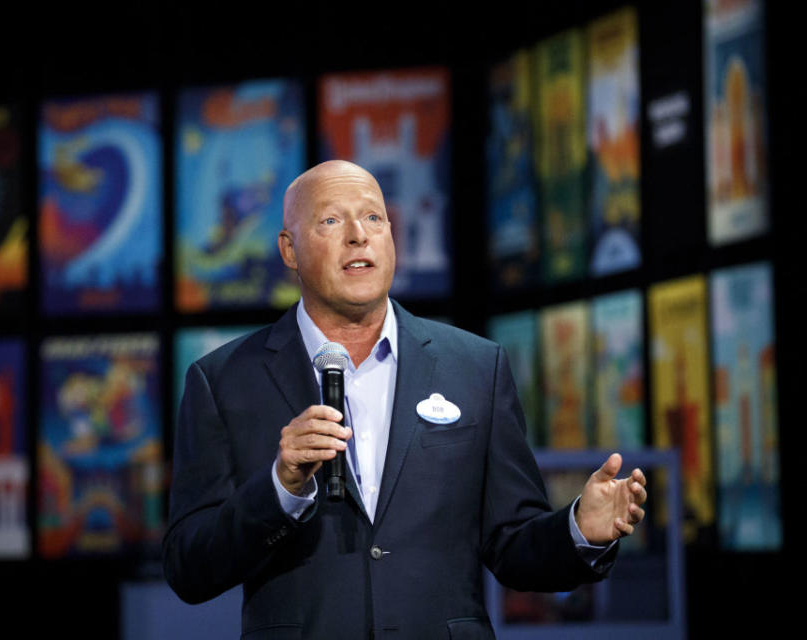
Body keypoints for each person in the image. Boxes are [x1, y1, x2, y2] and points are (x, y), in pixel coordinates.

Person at [164, 160, 647, 639]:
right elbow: (189, 568)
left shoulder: (476, 367)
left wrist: (580, 529)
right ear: (289, 250)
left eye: (374, 217)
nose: (359, 235)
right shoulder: (223, 380)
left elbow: (512, 545)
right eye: (331, 220)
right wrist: (279, 489)